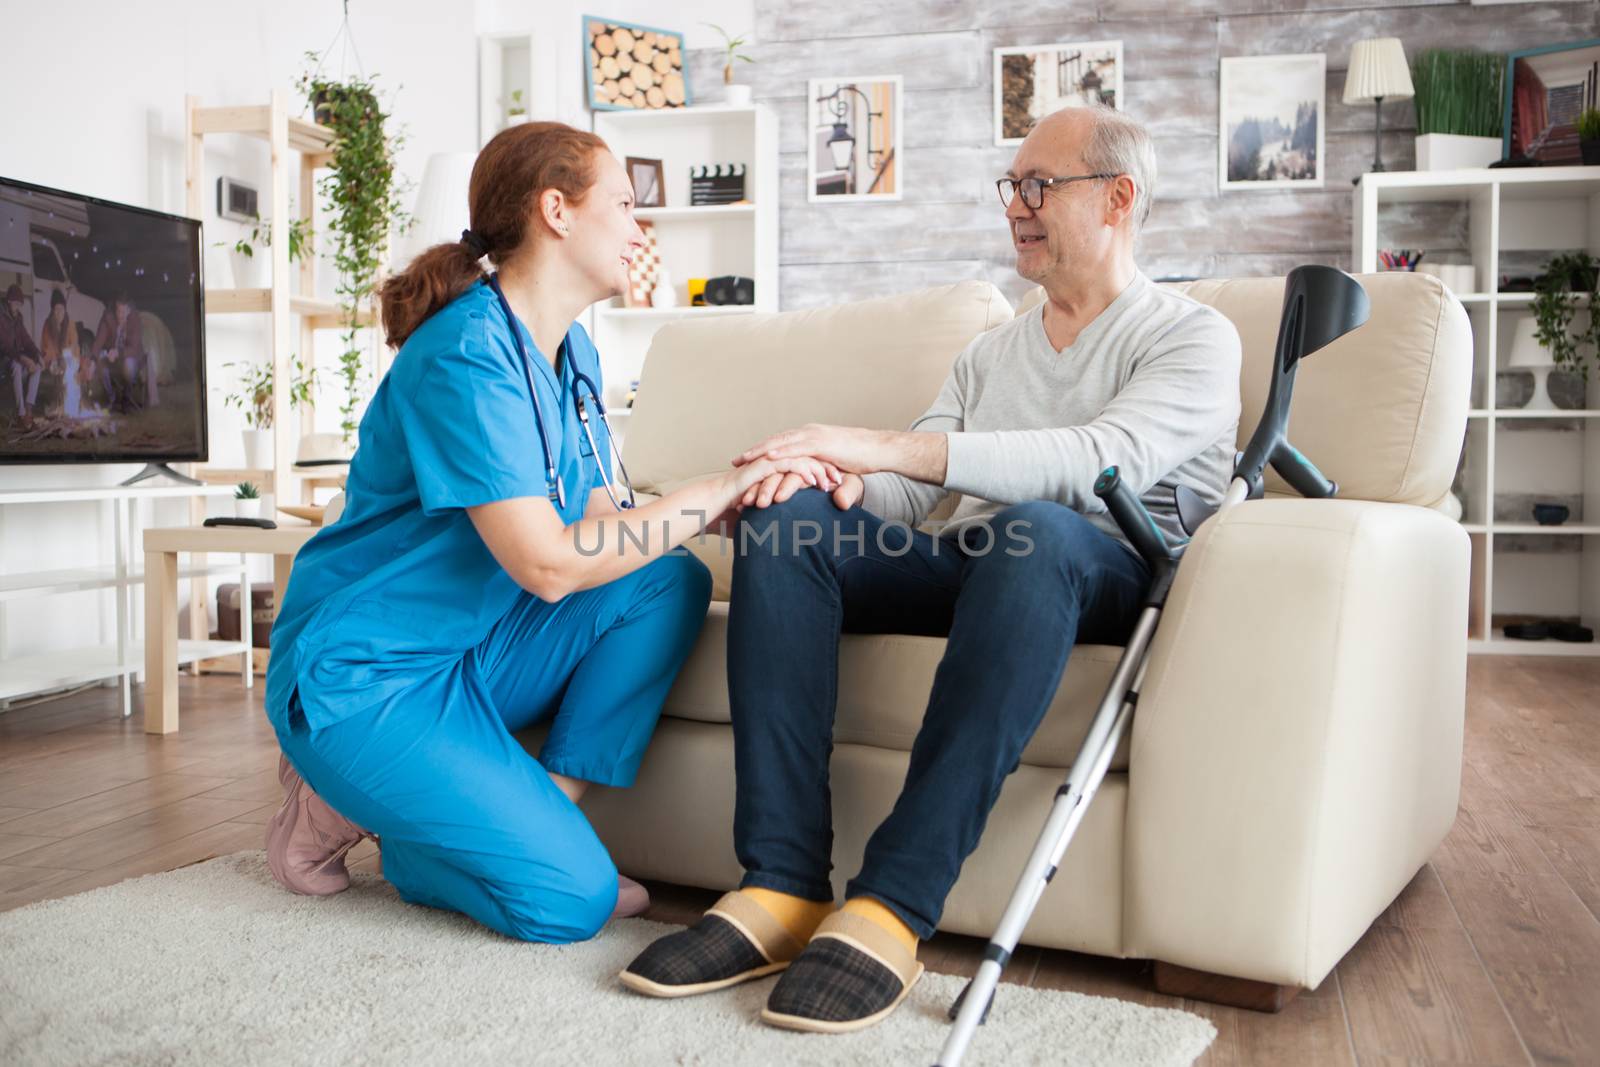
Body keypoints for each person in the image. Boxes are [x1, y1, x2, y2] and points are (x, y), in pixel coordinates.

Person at [623, 104, 1244, 1032]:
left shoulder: (1191, 336)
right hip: (981, 562)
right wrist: (820, 476)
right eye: (1012, 188)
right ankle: (783, 884)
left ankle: (893, 905)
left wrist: (870, 442)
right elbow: (908, 500)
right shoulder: (991, 354)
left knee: (1036, 528)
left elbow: (1095, 464)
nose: (1016, 208)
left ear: (1119, 197)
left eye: (1040, 186)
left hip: (1097, 565)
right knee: (789, 524)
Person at [262, 121, 839, 945]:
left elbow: (608, 521)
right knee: (571, 902)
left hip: (469, 650)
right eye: (627, 205)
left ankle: (525, 814)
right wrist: (712, 490)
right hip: (362, 675)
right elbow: (547, 564)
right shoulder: (464, 353)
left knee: (666, 580)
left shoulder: (573, 356)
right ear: (557, 211)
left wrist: (723, 504)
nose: (641, 230)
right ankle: (376, 822)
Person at [90, 293, 144, 413]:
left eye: (123, 312)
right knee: (99, 361)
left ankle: (126, 398)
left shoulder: (135, 319)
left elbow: (134, 348)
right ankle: (112, 398)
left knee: (129, 365)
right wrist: (93, 359)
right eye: (118, 311)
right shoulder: (108, 317)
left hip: (130, 357)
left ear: (129, 310)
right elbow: (99, 340)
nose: (120, 315)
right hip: (112, 358)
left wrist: (118, 353)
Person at [1, 283, 43, 428]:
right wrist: (23, 359)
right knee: (18, 366)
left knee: (37, 368)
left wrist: (37, 355)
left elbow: (26, 339)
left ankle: (28, 410)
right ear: (9, 301)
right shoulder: (1, 317)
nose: (18, 307)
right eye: (16, 303)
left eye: (20, 304)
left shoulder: (18, 318)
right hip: (4, 361)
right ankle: (21, 414)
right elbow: (5, 347)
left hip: (17, 358)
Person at [38, 289, 76, 417]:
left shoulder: (70, 323)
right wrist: (54, 362)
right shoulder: (48, 324)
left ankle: (68, 404)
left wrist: (66, 358)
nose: (59, 313)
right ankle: (55, 404)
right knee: (56, 372)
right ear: (52, 311)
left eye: (61, 309)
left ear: (65, 310)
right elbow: (46, 348)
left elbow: (74, 344)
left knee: (69, 370)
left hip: (67, 357)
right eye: (56, 309)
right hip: (52, 359)